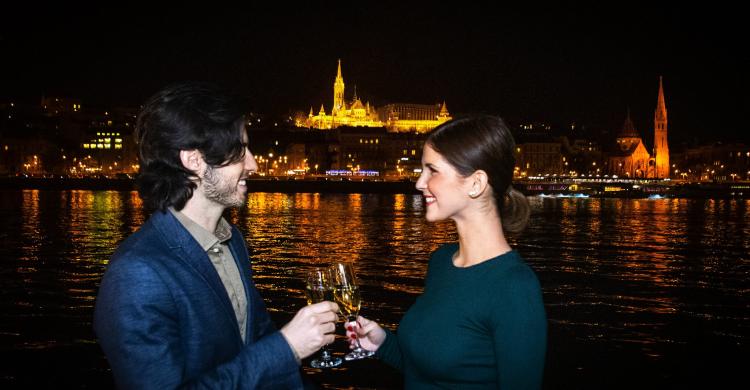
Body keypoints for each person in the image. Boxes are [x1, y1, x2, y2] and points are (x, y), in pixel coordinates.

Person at [94, 82, 338, 389]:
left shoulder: (232, 241)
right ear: (193, 160)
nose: (254, 164)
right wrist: (287, 348)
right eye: (239, 151)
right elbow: (271, 352)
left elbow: (257, 340)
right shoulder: (136, 274)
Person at [348, 115, 547, 389]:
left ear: (476, 184)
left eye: (432, 170)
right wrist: (382, 343)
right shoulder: (441, 261)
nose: (419, 182)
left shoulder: (514, 287)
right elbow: (430, 372)